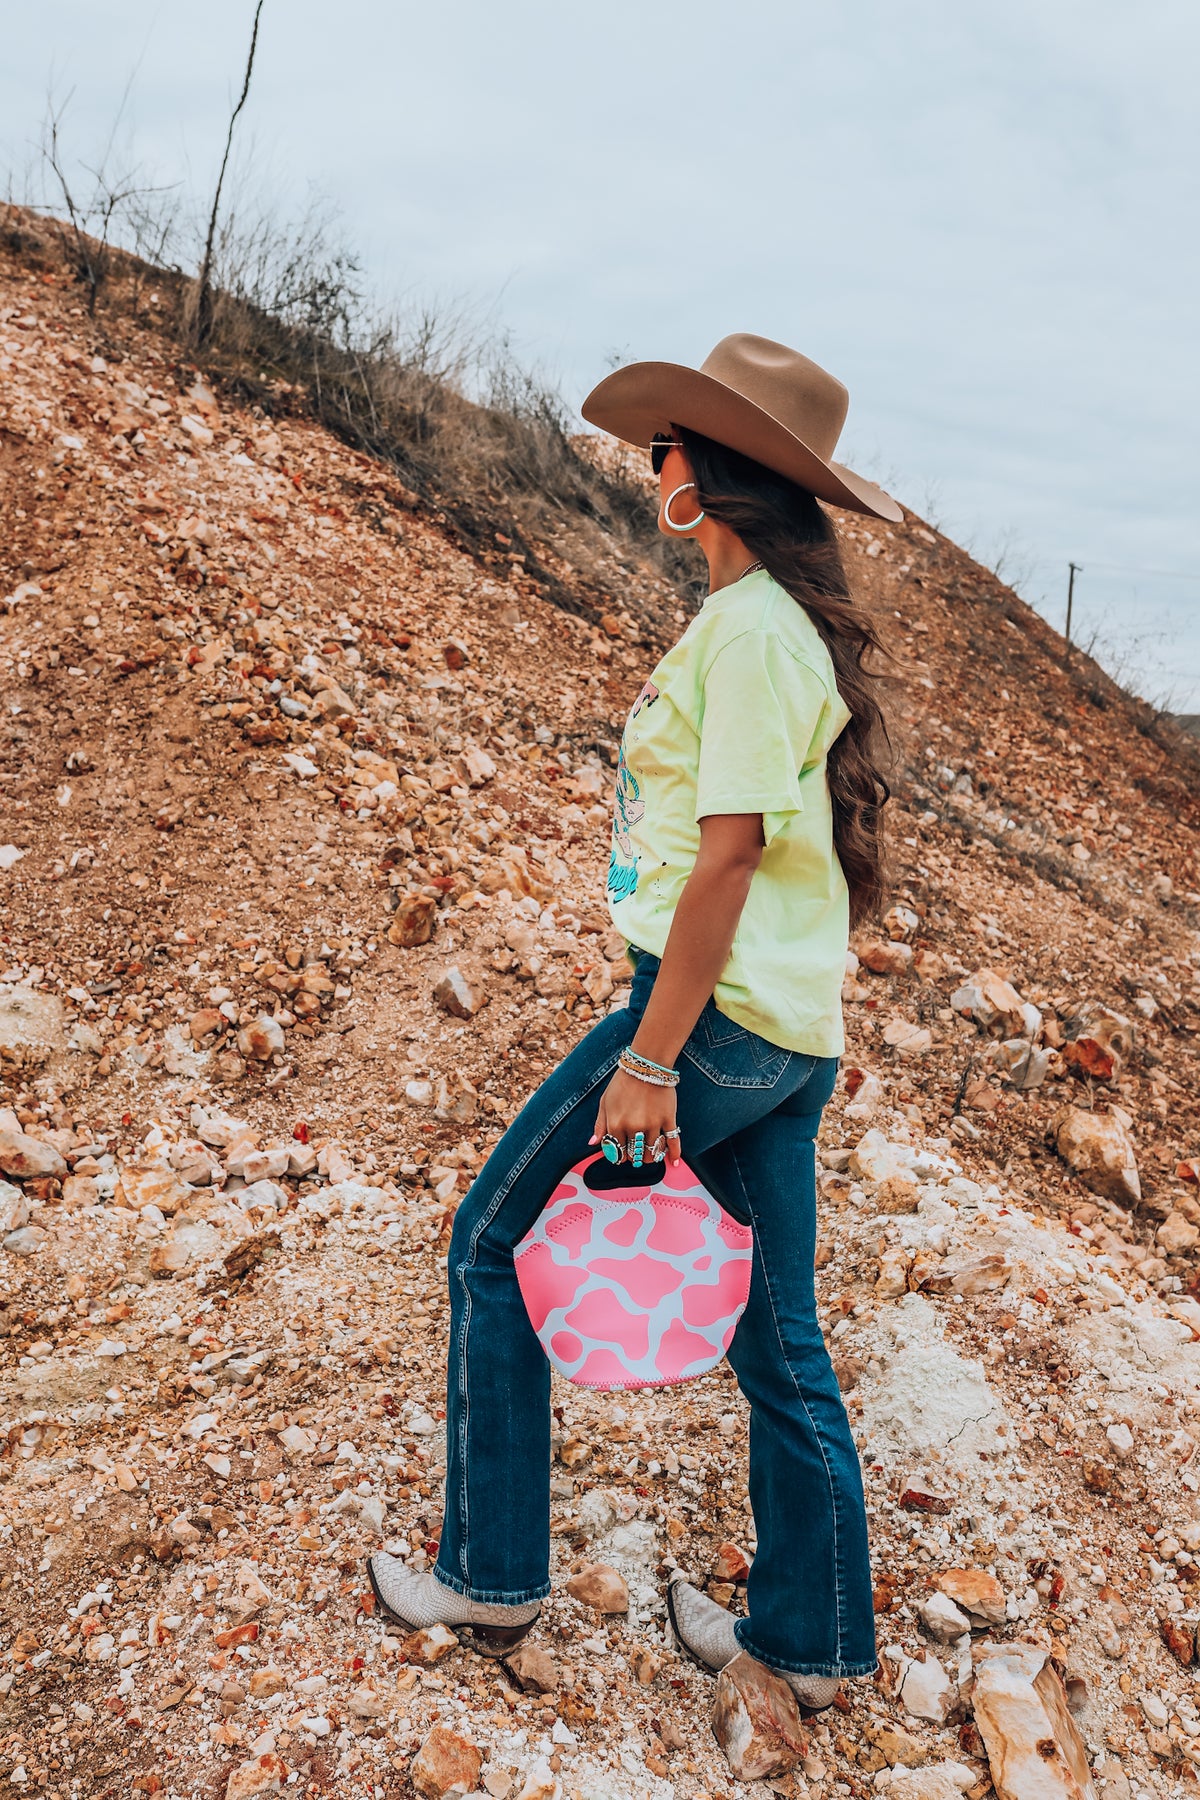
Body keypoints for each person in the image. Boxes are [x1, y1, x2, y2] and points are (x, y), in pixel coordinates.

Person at [367, 334, 901, 1708]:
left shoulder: (753, 635)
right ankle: (815, 1643)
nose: (645, 459)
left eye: (662, 441)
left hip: (708, 1019)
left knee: (490, 1246)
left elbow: (726, 856)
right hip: (782, 1032)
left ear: (706, 471)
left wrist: (652, 1057)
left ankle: (487, 1578)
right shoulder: (765, 627)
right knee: (780, 1337)